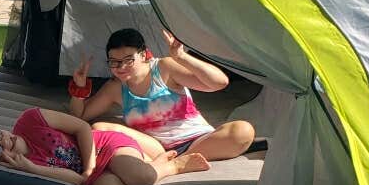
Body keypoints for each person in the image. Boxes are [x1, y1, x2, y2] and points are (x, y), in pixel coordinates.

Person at [0, 107, 209, 185]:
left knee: (140, 176)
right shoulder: (24, 168)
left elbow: (82, 127)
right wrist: (31, 168)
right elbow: (76, 181)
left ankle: (169, 167)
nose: (6, 142)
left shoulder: (30, 121)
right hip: (91, 175)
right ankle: (154, 166)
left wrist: (90, 166)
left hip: (100, 146)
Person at [68, 27, 255, 161]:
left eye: (128, 60)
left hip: (198, 141)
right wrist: (79, 87)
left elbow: (218, 83)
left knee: (243, 131)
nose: (121, 67)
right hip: (155, 148)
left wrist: (181, 57)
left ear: (143, 55)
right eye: (114, 62)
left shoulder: (163, 68)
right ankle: (172, 162)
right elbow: (80, 116)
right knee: (98, 128)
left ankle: (177, 161)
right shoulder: (115, 88)